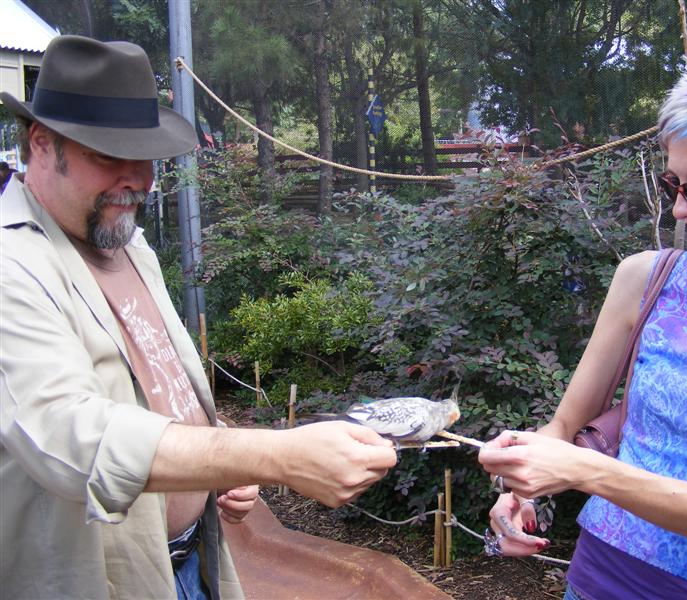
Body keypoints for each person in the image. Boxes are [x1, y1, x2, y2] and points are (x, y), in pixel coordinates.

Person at [0, 35, 397, 600]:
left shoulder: (126, 244)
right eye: (108, 155)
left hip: (193, 564)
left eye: (146, 157)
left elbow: (158, 387)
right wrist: (277, 454)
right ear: (42, 144)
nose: (136, 179)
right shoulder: (11, 264)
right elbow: (72, 438)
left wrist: (220, 460)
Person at [478, 34, 687, 599]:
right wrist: (523, 488)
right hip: (603, 568)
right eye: (673, 184)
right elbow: (563, 426)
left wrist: (581, 472)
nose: (680, 209)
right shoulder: (644, 279)